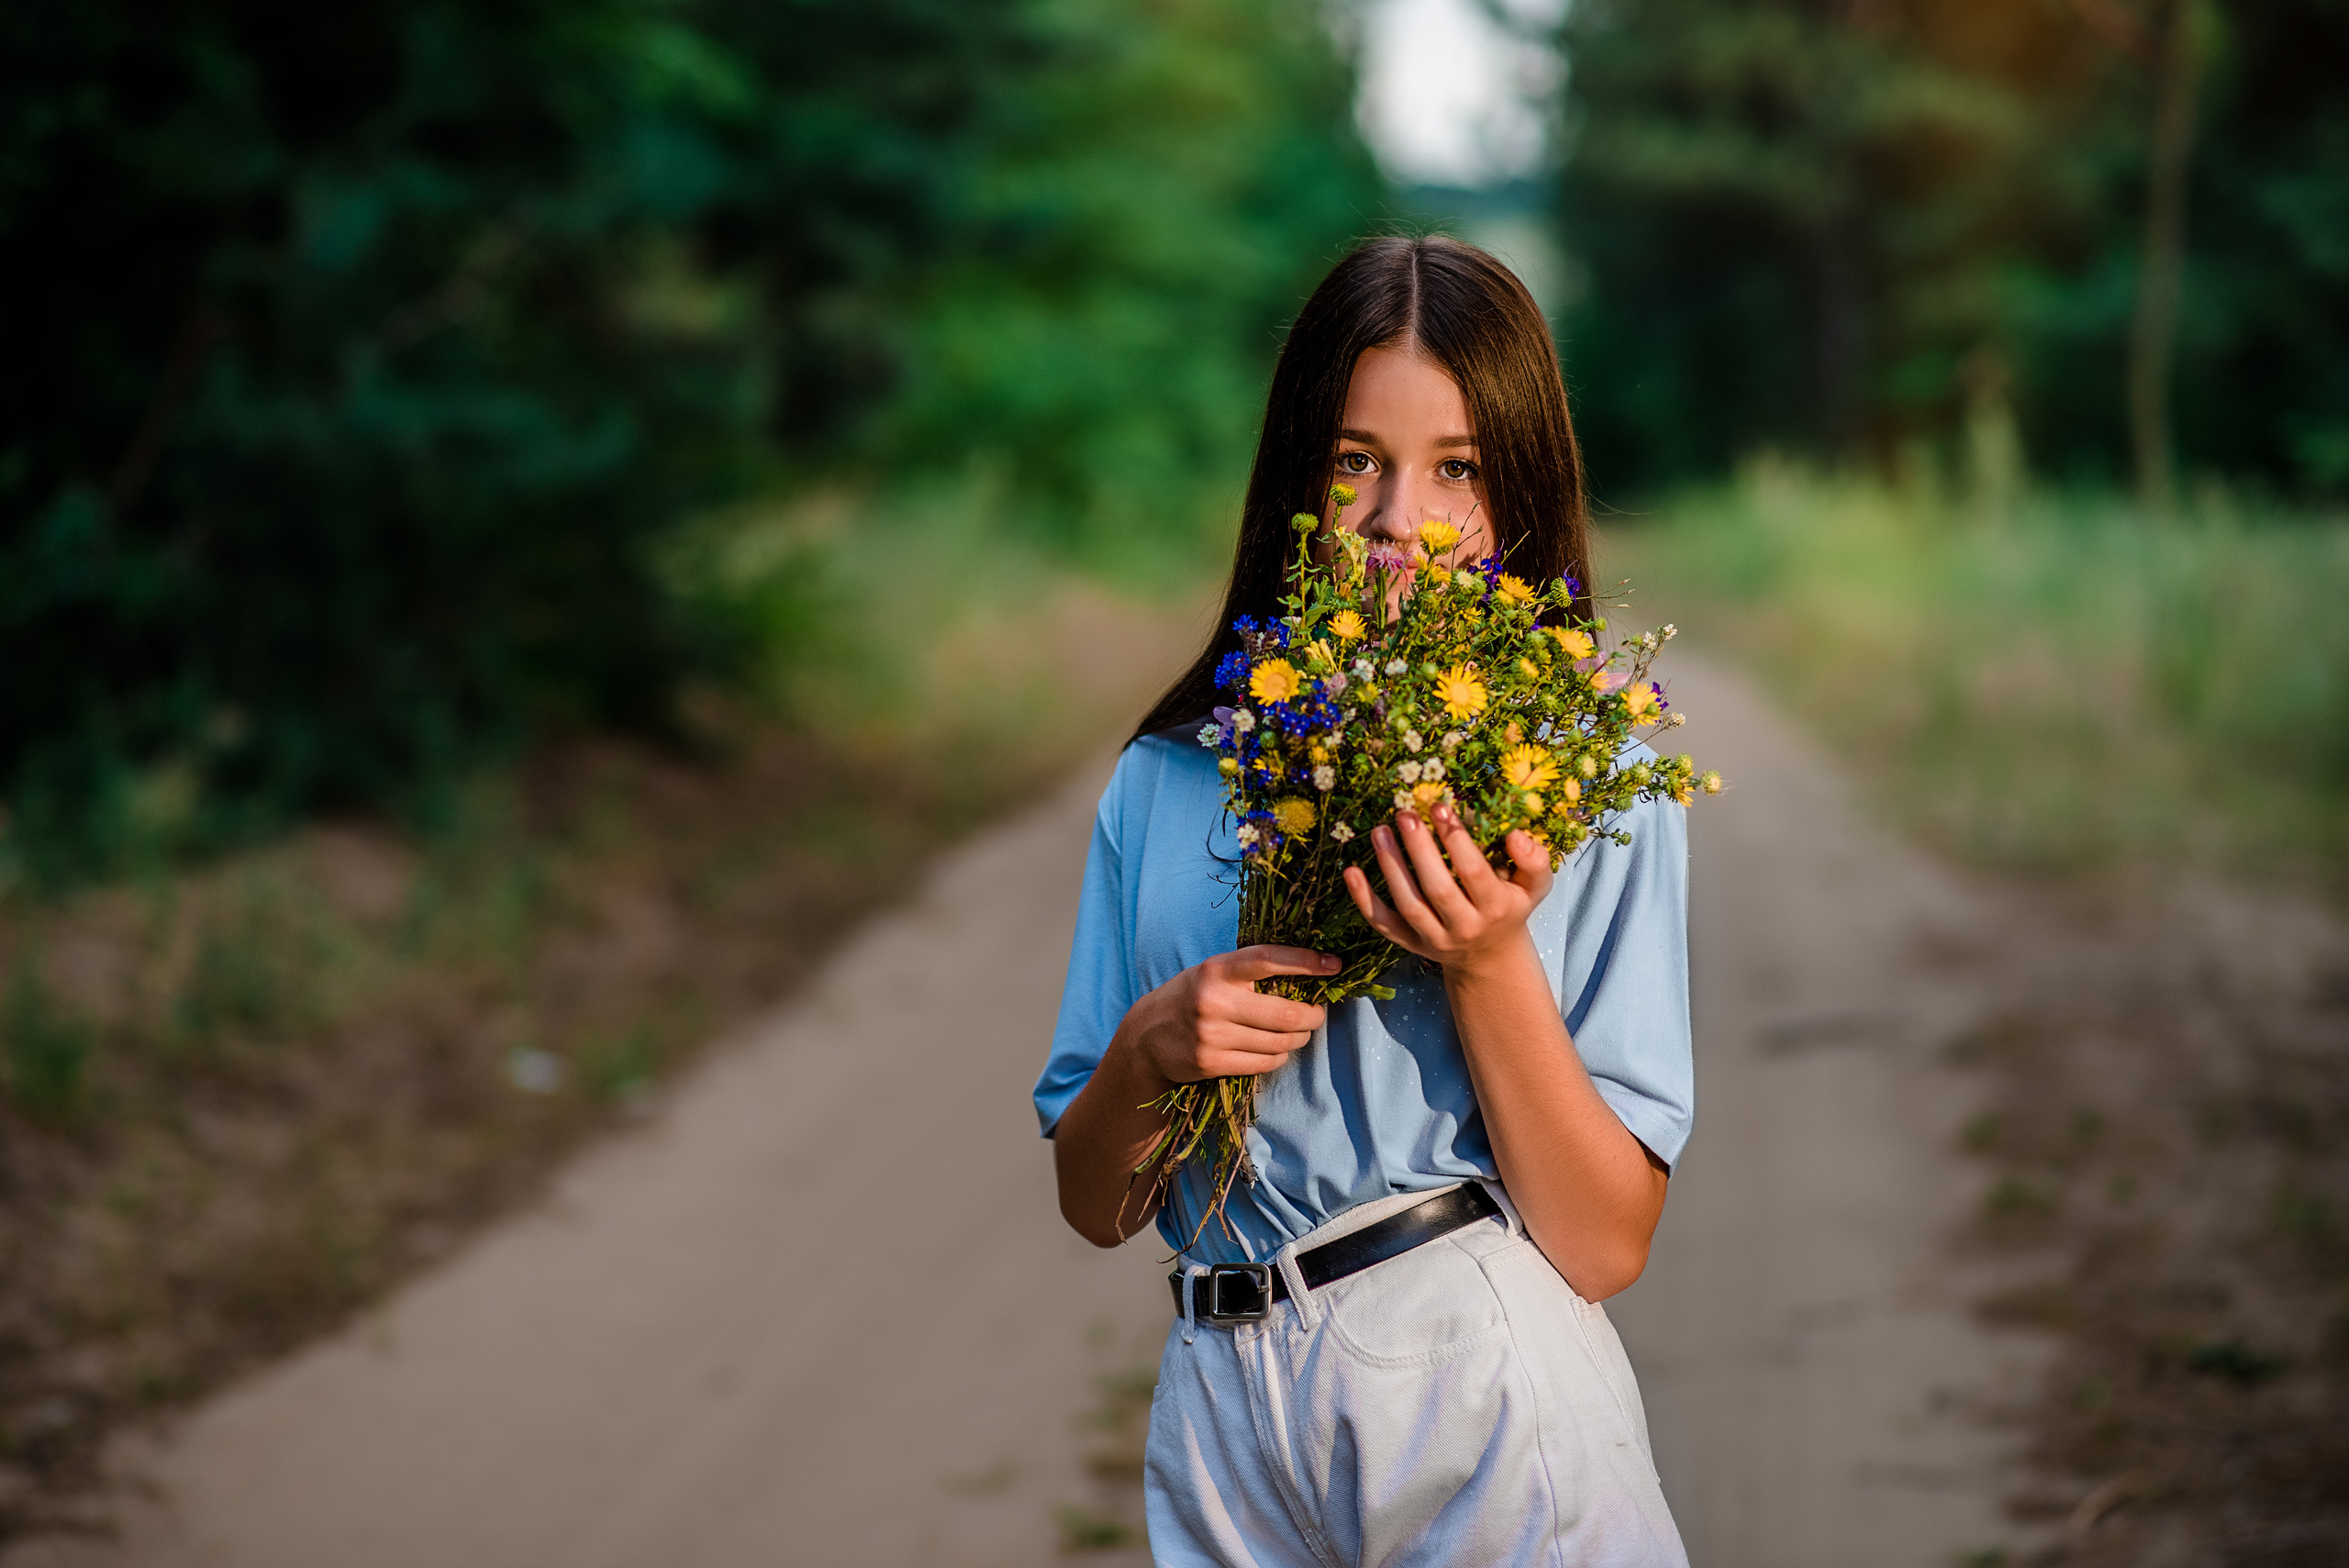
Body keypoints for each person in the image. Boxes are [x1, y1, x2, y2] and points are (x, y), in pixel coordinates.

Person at [1034, 235, 1692, 1567]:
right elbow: (1095, 1203)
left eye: (1457, 467)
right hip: (1221, 1397)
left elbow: (1607, 1238)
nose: (1399, 519)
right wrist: (1158, 1046)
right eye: (1353, 462)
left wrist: (1491, 952)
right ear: (1293, 478)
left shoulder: (1593, 776)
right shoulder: (1168, 776)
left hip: (1471, 1380)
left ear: (1517, 489)